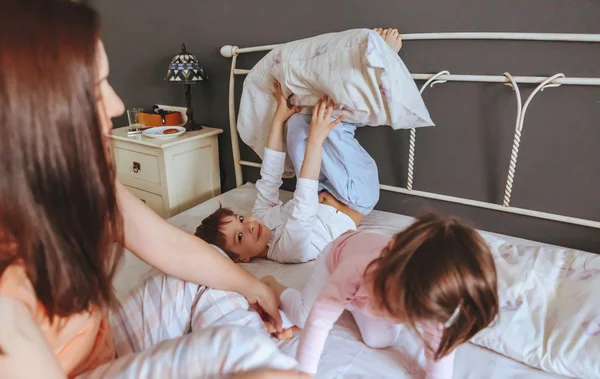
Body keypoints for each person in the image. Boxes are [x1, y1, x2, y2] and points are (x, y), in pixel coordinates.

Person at [0, 1, 303, 378]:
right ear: (35, 114)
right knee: (234, 348)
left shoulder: (82, 182)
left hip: (103, 347)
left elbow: (168, 245)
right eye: (94, 90)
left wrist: (256, 289)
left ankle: (257, 351)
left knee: (212, 271)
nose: (116, 104)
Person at [195, 28, 404, 264]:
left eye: (241, 220)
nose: (251, 225)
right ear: (241, 259)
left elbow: (271, 173)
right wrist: (316, 139)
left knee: (295, 123)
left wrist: (278, 117)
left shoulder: (260, 218)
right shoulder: (288, 251)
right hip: (355, 195)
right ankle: (382, 61)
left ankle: (324, 84)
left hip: (325, 185)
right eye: (240, 236)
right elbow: (304, 201)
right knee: (330, 128)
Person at [262, 213, 500, 377]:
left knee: (380, 341)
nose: (401, 316)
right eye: (396, 304)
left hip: (365, 290)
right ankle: (272, 286)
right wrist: (304, 373)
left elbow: (440, 346)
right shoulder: (357, 268)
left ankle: (348, 303)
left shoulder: (432, 296)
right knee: (305, 317)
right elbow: (319, 320)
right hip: (335, 260)